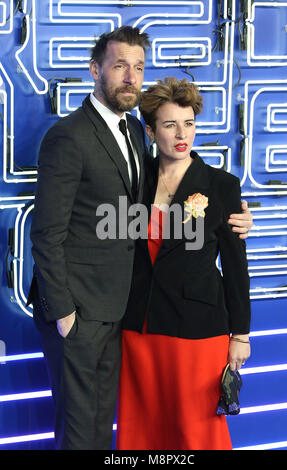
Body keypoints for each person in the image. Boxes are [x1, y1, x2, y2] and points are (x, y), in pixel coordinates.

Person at [26, 26, 252, 450]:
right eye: (119, 66)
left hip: (155, 322)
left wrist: (236, 220)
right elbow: (46, 232)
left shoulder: (134, 136)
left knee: (136, 430)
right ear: (96, 70)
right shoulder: (70, 136)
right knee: (89, 432)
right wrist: (64, 314)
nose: (130, 76)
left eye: (138, 67)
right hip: (91, 316)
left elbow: (223, 257)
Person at [116, 77, 251, 450]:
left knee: (197, 432)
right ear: (150, 130)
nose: (182, 134)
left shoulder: (222, 185)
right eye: (170, 124)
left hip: (198, 330)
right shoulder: (134, 179)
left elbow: (237, 268)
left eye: (188, 123)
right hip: (140, 327)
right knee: (142, 429)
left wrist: (240, 334)